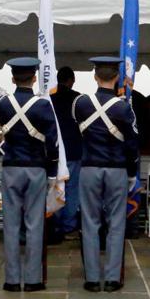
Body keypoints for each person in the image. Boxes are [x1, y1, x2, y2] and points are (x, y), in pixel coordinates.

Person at [73, 56, 140, 293]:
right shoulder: (124, 107)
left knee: (89, 223)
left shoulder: (80, 103)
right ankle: (112, 278)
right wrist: (131, 173)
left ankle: (92, 278)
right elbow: (132, 144)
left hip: (90, 167)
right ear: (117, 77)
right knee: (116, 223)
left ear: (95, 76)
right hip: (116, 169)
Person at [0, 56, 59, 292]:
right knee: (34, 224)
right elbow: (52, 142)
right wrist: (52, 171)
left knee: (11, 225)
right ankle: (33, 279)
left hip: (11, 166)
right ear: (34, 78)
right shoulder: (43, 106)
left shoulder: (2, 104)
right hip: (36, 167)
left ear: (13, 79)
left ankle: (11, 279)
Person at [52, 66, 83, 237]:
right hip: (73, 150)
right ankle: (69, 225)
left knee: (56, 188)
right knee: (72, 189)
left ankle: (55, 224)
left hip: (55, 151)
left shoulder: (49, 98)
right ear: (72, 80)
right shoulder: (78, 99)